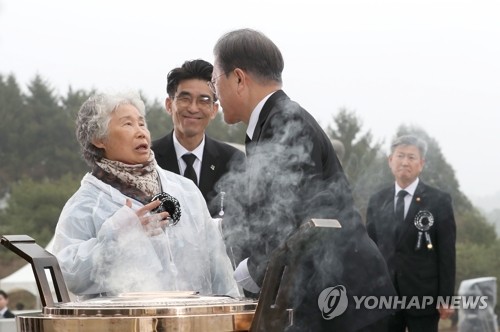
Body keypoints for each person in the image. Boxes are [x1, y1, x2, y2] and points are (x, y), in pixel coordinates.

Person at [210, 28, 396, 332]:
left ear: (239, 78)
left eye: (215, 80)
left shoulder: (284, 121)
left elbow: (289, 219)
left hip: (342, 299)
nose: (214, 92)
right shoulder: (273, 121)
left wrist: (247, 273)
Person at [52, 91, 239, 298]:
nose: (141, 132)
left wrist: (231, 310)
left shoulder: (185, 190)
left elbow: (218, 267)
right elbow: (68, 274)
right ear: (98, 139)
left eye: (142, 123)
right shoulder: (85, 205)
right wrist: (118, 237)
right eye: (127, 124)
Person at [366, 134, 456, 332]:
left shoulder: (439, 201)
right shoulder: (377, 201)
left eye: (411, 157)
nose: (405, 162)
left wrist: (446, 297)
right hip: (384, 298)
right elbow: (369, 250)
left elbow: (447, 253)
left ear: (421, 163)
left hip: (423, 296)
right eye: (400, 156)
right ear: (390, 160)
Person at [152, 59, 245, 217]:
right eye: (185, 98)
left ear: (214, 110)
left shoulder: (234, 162)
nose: (193, 108)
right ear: (169, 105)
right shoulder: (148, 159)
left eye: (204, 100)